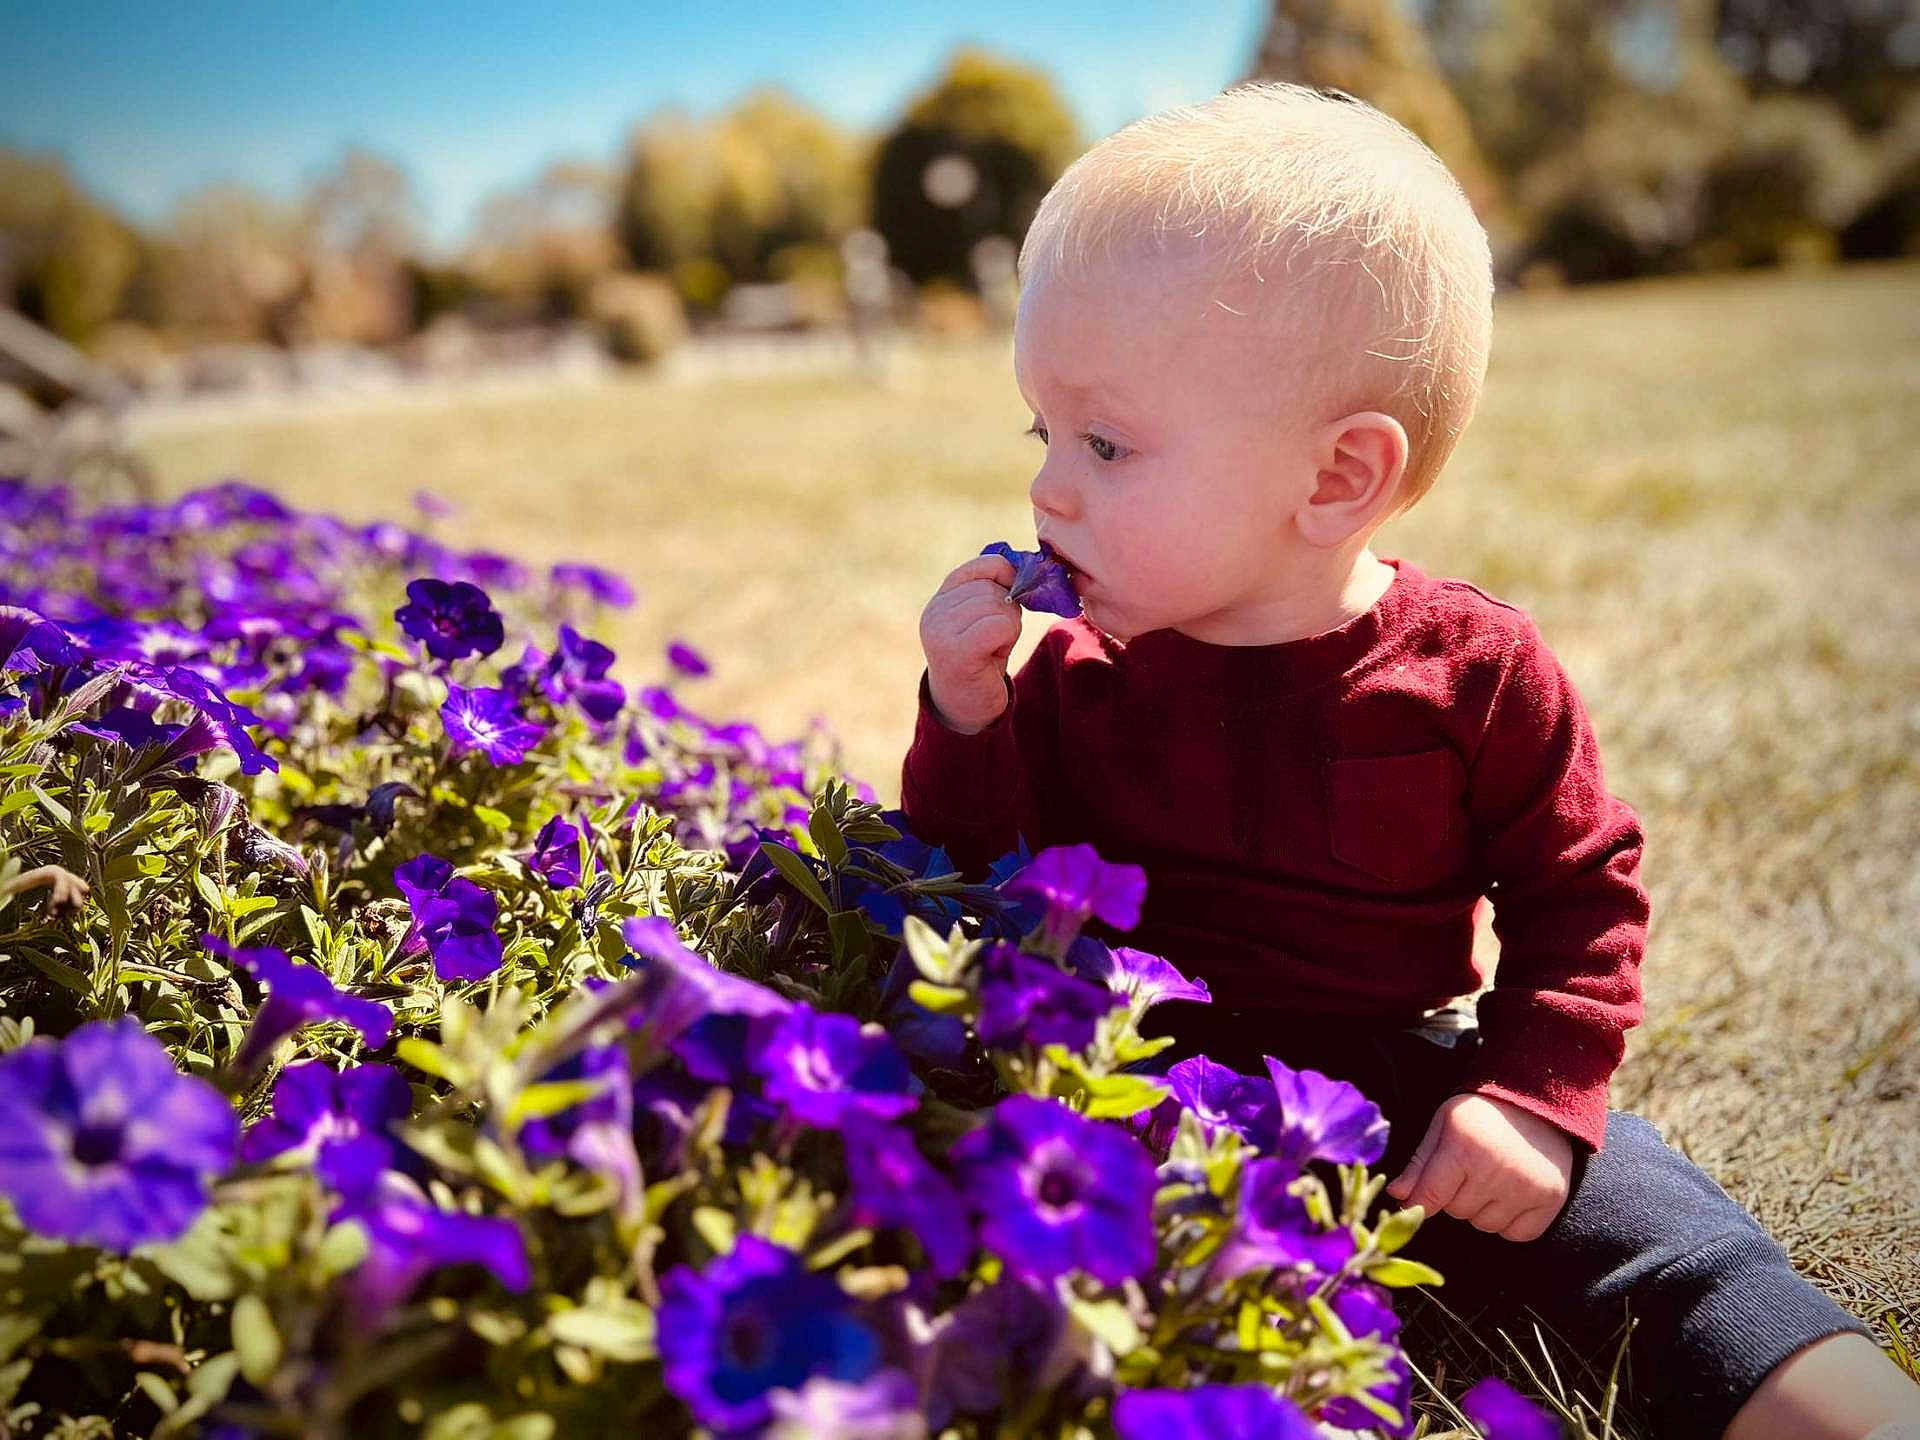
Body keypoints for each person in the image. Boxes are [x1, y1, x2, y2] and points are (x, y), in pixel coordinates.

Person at [898, 83, 1920, 1440]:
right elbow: (982, 877)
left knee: (1649, 1232)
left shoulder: (1471, 674)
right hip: (1123, 1084)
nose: (1048, 492)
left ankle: (1841, 1410)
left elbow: (1582, 898)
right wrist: (965, 717)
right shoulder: (1080, 668)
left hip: (1392, 1096)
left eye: (1105, 441)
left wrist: (1533, 1098)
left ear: (1334, 481)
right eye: (1045, 435)